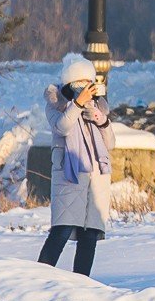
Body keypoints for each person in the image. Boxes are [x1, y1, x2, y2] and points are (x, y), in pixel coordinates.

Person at [37, 57, 115, 277]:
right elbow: (61, 127)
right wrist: (77, 104)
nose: (84, 87)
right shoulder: (56, 103)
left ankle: (82, 283)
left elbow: (110, 144)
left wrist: (101, 120)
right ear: (69, 82)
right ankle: (38, 277)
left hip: (96, 176)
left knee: (89, 235)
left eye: (87, 82)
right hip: (69, 174)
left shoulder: (97, 105)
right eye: (79, 82)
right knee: (61, 229)